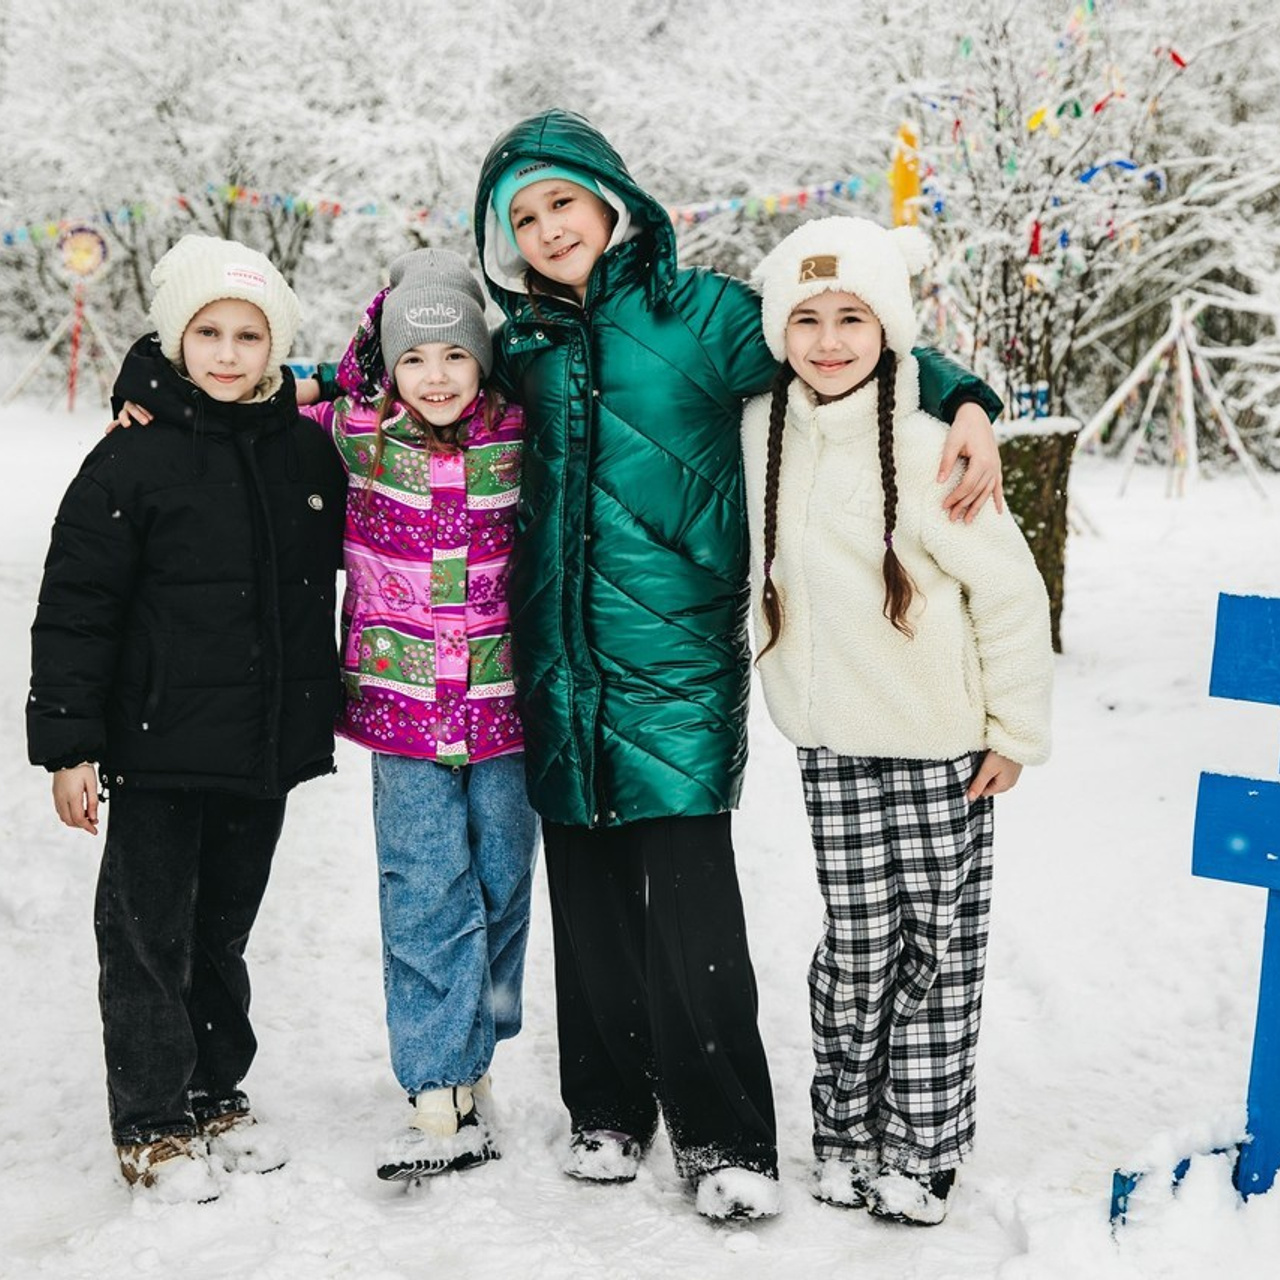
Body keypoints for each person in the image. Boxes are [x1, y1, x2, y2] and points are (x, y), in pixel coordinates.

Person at [471, 108, 1007, 1221]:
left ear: (610, 199)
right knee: (590, 902)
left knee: (690, 912)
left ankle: (725, 1135)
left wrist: (965, 397)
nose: (545, 228)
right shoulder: (513, 342)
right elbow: (383, 372)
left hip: (673, 661)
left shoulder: (702, 314)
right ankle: (608, 1108)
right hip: (560, 664)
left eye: (560, 201)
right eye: (520, 216)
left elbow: (846, 338)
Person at [743, 216, 1053, 1226]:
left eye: (851, 317)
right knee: (856, 946)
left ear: (891, 328)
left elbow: (1007, 595)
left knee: (937, 949)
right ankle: (842, 1133)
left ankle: (918, 1147)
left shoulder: (928, 448)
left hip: (938, 748)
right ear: (776, 328)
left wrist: (1011, 729)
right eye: (804, 317)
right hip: (831, 745)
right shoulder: (757, 431)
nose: (827, 339)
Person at [27, 235, 346, 1202]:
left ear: (275, 350)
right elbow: (78, 605)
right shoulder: (132, 457)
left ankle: (214, 1091)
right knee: (145, 934)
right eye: (206, 332)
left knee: (222, 933)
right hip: (159, 747)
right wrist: (70, 746)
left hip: (262, 747)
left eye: (249, 335)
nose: (226, 352)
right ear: (174, 339)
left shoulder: (304, 447)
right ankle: (153, 1121)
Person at [299, 249, 538, 1183]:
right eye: (414, 358)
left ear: (483, 360)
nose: (434, 377)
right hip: (401, 713)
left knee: (503, 883)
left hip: (505, 711)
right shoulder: (355, 434)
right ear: (388, 366)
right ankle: (436, 1085)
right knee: (422, 885)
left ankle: (479, 1040)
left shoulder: (523, 430)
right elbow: (236, 390)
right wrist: (143, 386)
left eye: (454, 355)